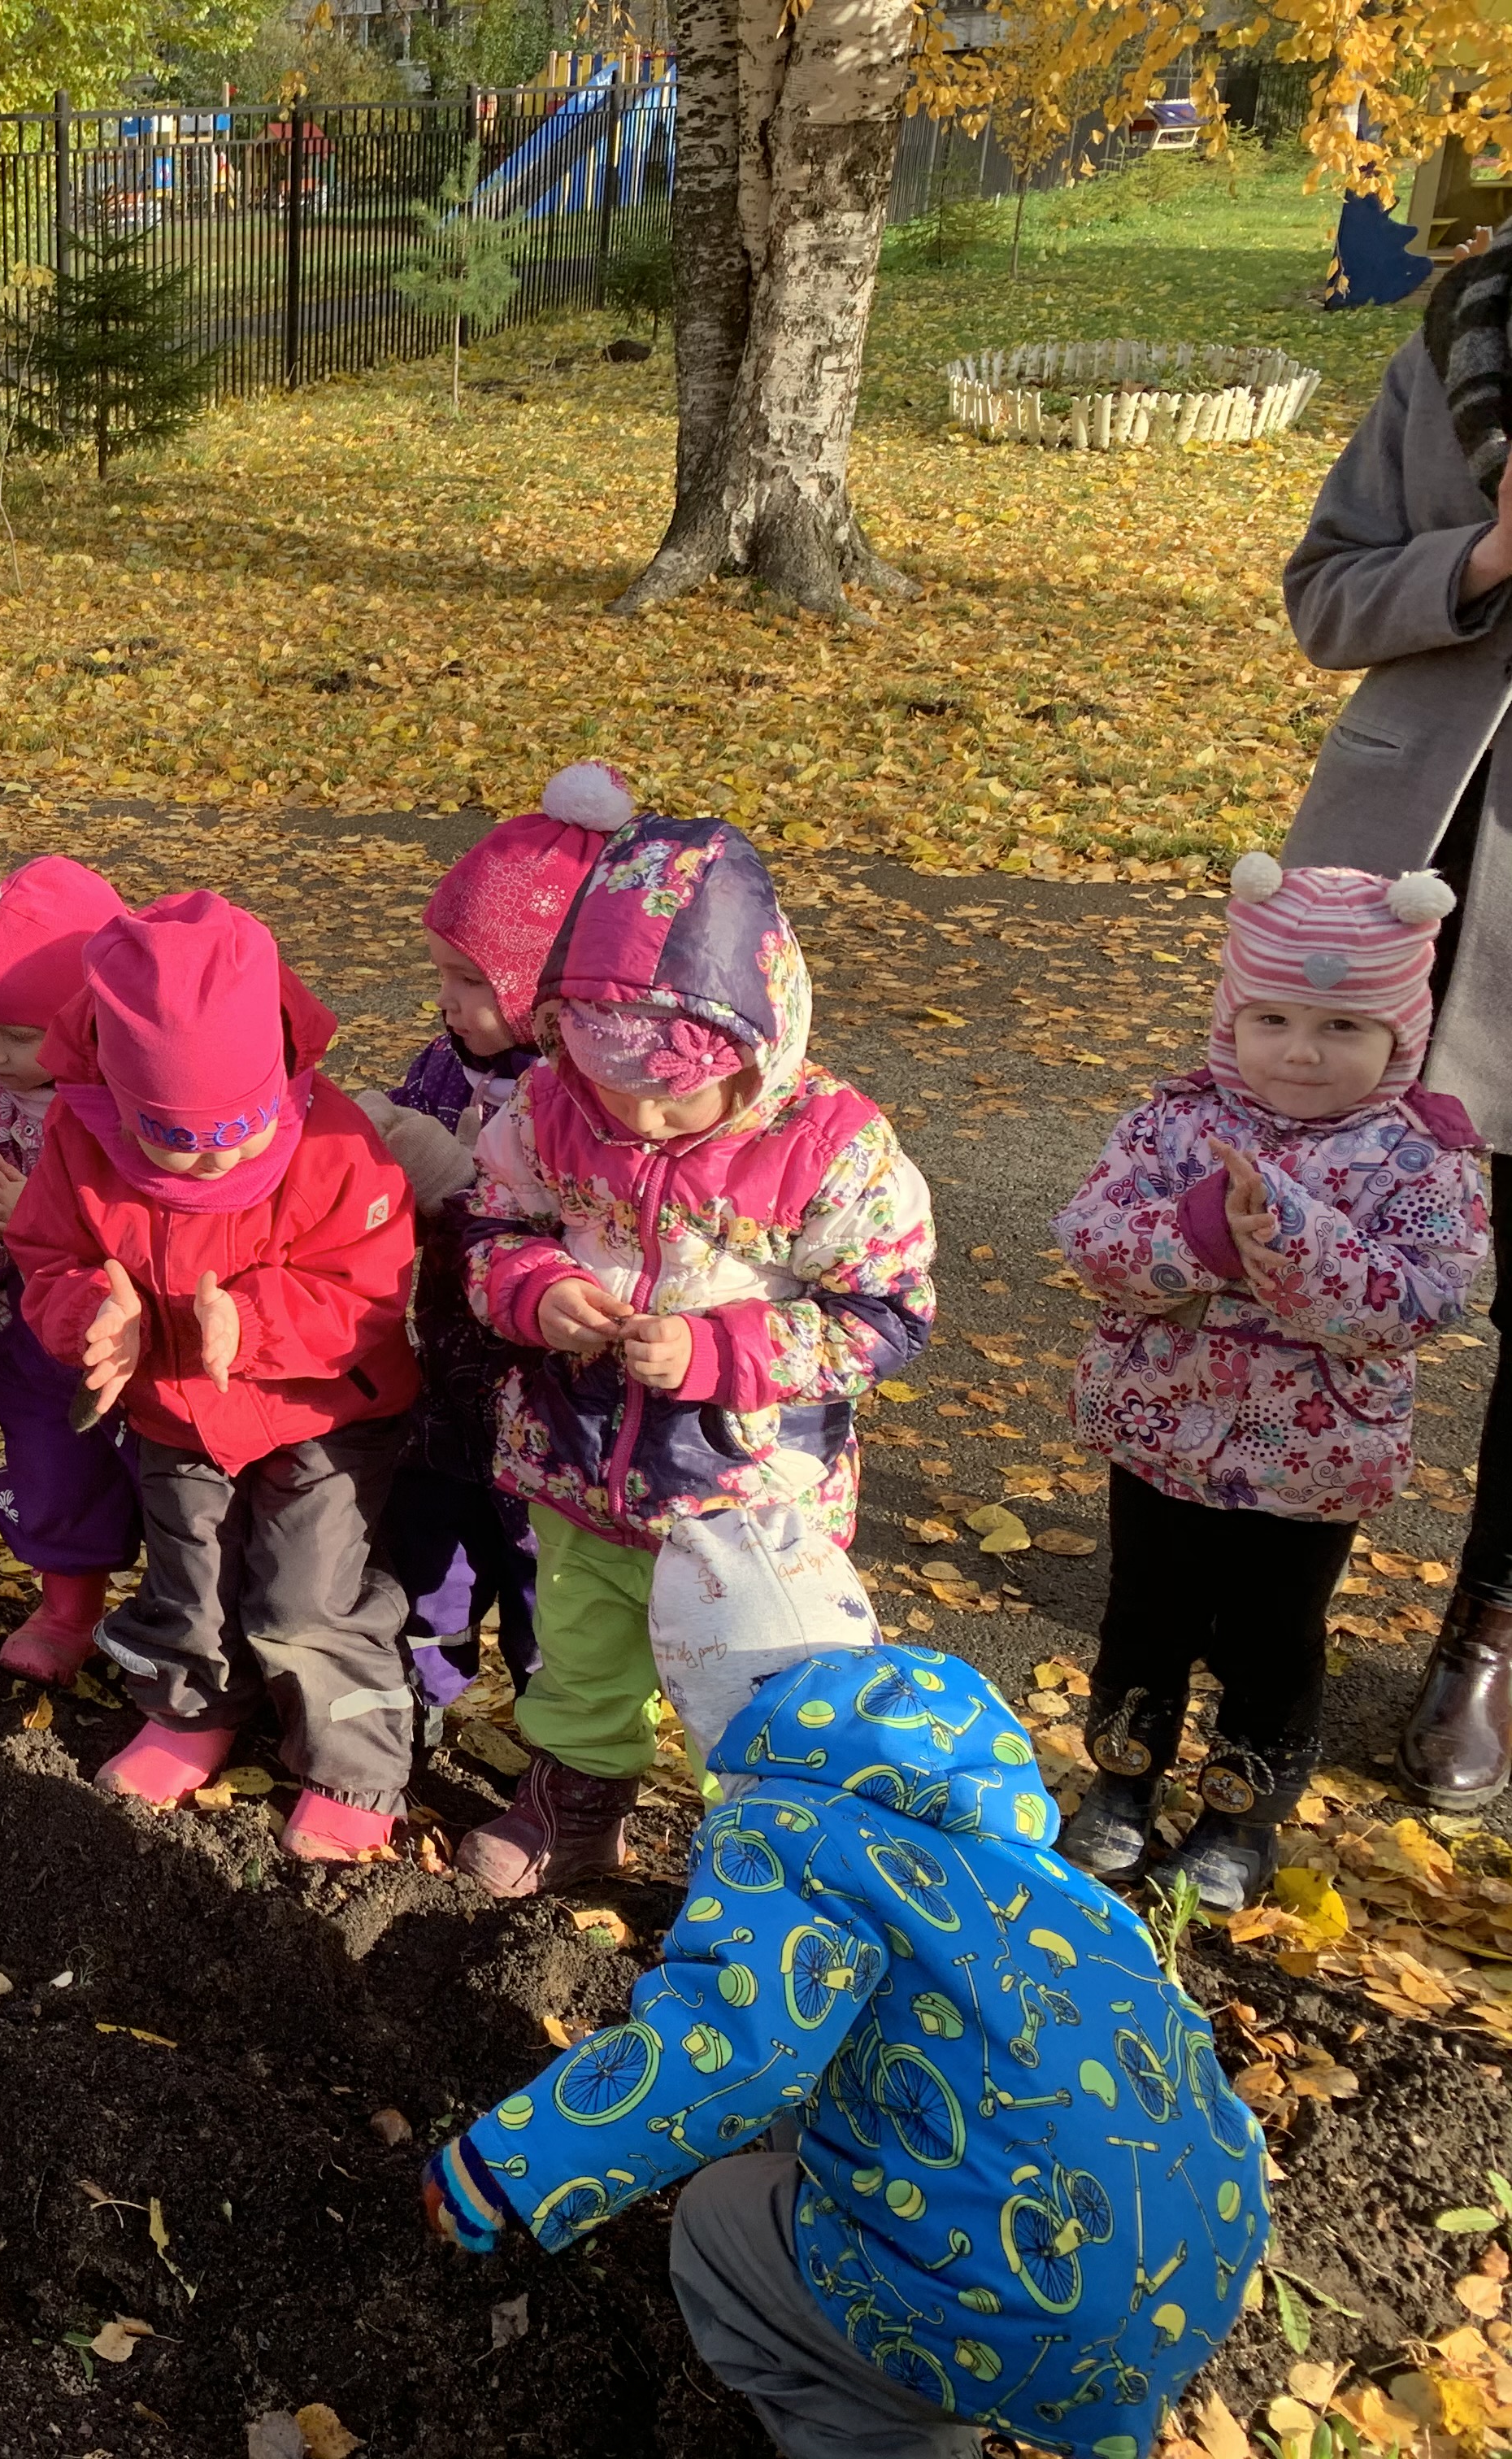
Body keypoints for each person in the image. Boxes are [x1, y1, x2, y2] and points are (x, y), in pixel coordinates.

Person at [421, 1634, 1269, 2459]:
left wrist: (512, 2164)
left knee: (717, 2224)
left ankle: (893, 2434)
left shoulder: (791, 1831)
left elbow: (734, 2047)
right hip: (1192, 2268)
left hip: (1009, 2310)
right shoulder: (1065, 1890)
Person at [458, 814, 936, 1899]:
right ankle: (578, 1805)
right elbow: (492, 1230)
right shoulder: (548, 1109)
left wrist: (722, 1349)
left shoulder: (830, 1146)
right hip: (582, 1459)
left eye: (673, 1094)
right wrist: (539, 1292)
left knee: (756, 1679)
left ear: (755, 1045)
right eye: (609, 1083)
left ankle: (765, 1851)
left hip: (746, 1494)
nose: (640, 1116)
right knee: (581, 1647)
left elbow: (887, 1315)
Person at [1052, 857, 1488, 1910]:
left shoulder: (1420, 1158)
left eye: (1342, 1027)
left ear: (1400, 1035)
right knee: (1144, 1617)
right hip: (1161, 1427)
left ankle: (1241, 1814)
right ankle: (1122, 1781)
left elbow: (1422, 1300)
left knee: (1272, 1639)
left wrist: (1301, 1243)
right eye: (1273, 1019)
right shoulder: (1171, 1123)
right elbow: (1093, 1239)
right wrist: (1199, 1237)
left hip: (1312, 1457)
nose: (1301, 1051)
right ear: (1231, 1018)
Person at [4, 890, 420, 1865]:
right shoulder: (78, 1137)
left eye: (241, 1129)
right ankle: (192, 1715)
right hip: (174, 1414)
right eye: (172, 1138)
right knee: (189, 1578)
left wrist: (254, 1320)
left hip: (322, 1413)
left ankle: (352, 1767)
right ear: (114, 1093)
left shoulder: (332, 1143)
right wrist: (94, 1317)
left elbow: (372, 1288)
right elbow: (48, 1256)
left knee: (309, 1598)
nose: (213, 1159)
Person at [1278, 250, 1512, 1809]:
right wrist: (1483, 556)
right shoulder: (1462, 335)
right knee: (1302, 1259)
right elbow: (1324, 591)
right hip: (1385, 901)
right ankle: (1256, 1591)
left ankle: (1481, 1633)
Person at [352, 765, 624, 1746]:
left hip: (550, 1392)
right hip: (442, 1369)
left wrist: (448, 1175)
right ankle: (423, 1691)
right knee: (428, 1544)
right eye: (441, 975)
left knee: (544, 1571)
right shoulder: (442, 1065)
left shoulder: (590, 1099)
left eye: (473, 982)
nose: (448, 1002)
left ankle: (559, 1736)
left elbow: (579, 1227)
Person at [0, 855, 140, 1682]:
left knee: (163, 1474)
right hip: (33, 1318)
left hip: (139, 1321)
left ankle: (180, 1616)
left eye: (16, 1035)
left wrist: (41, 1216)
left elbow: (166, 1210)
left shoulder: (137, 1087)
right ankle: (68, 1606)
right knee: (50, 1458)